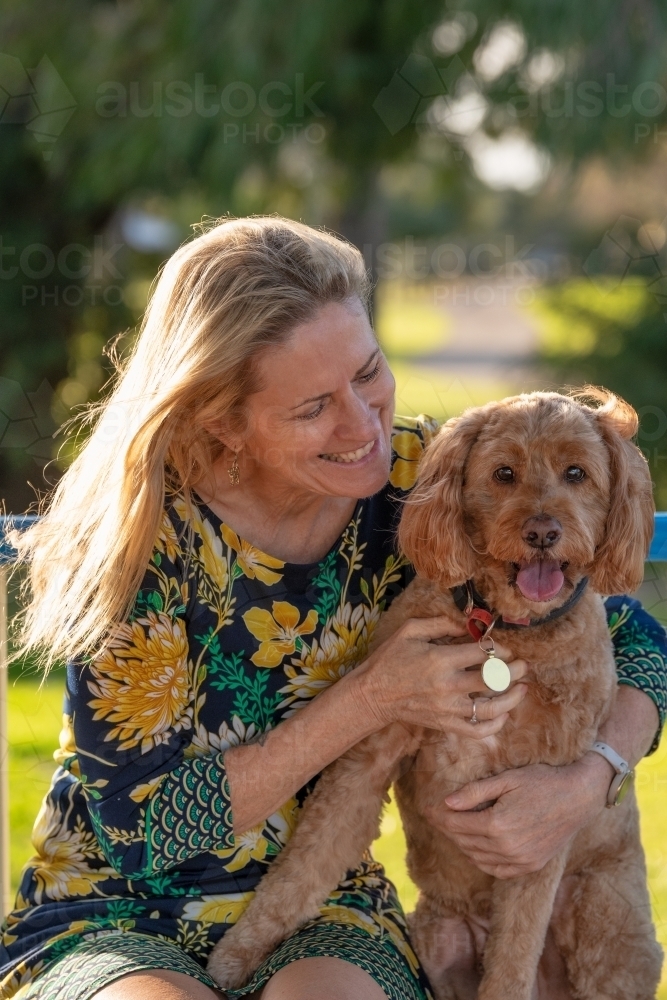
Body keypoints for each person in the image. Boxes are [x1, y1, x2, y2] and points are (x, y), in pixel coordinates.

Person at [0, 217, 664, 1000]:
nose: (363, 426)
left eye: (369, 372)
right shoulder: (140, 536)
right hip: (114, 910)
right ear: (223, 422)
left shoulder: (425, 477)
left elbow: (635, 640)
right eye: (314, 406)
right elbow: (146, 831)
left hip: (330, 908)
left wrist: (590, 778)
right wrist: (373, 698)